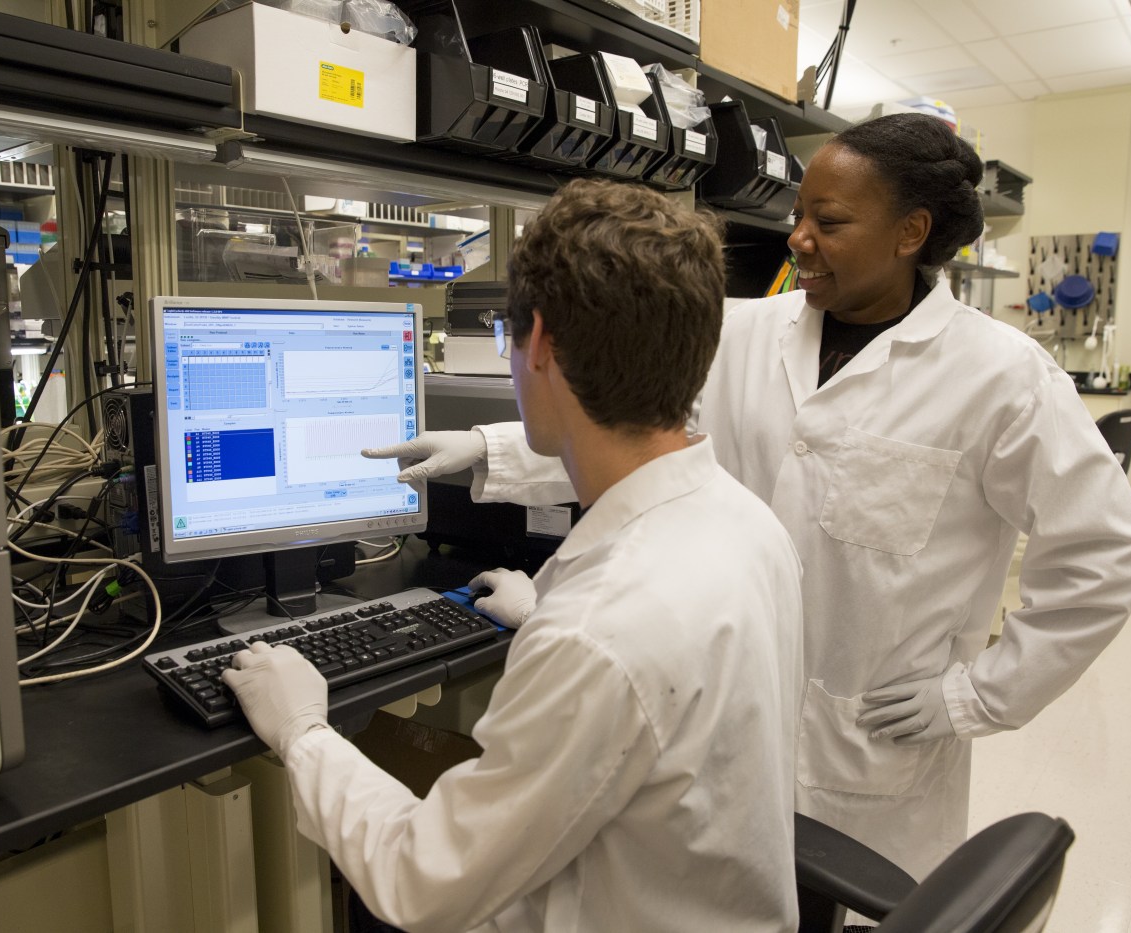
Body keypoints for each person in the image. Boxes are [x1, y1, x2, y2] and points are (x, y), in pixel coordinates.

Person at [367, 113, 1131, 879]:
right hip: (725, 713)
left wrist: (975, 696)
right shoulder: (746, 331)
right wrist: (489, 448)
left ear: (910, 233)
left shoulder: (1002, 377)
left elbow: (1109, 555)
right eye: (798, 215)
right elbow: (636, 427)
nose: (798, 238)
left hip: (867, 756)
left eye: (829, 222)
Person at [224, 178, 805, 932]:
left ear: (542, 347)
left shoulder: (599, 636)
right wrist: (542, 614)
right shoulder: (750, 524)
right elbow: (668, 700)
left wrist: (301, 729)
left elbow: (421, 882)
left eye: (508, 339)